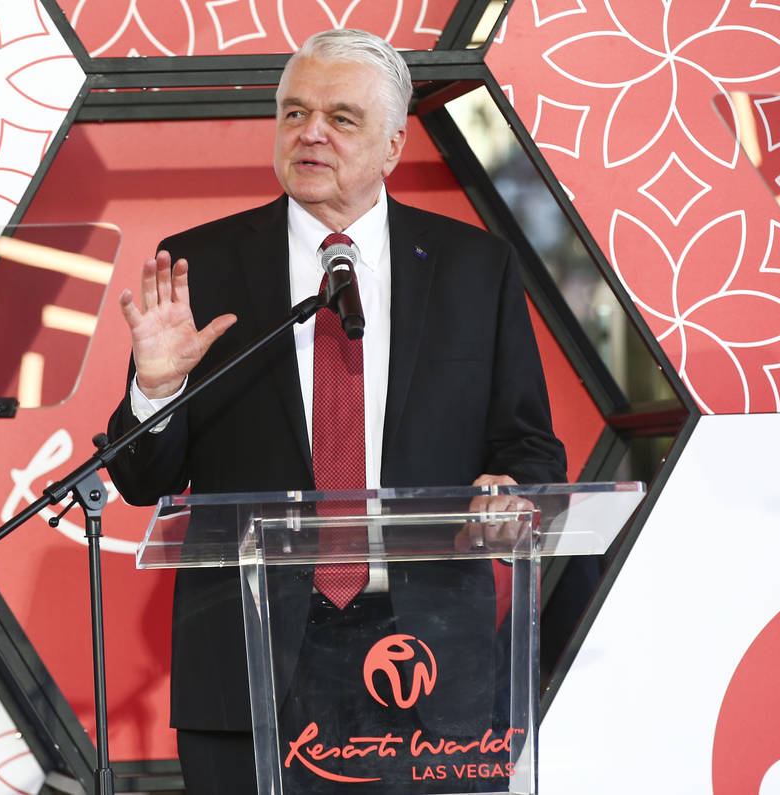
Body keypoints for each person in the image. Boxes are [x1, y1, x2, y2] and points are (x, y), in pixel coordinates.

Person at [106, 28, 566, 794]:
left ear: (392, 145)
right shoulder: (204, 265)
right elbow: (140, 479)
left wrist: (509, 489)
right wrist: (156, 390)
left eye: (340, 118)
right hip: (249, 663)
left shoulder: (472, 268)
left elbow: (530, 448)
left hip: (428, 659)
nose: (309, 133)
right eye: (292, 114)